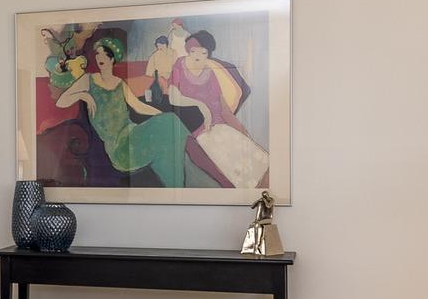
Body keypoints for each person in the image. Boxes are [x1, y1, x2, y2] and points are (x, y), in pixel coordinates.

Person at [54, 30, 190, 186]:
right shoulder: (88, 80)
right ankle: (177, 187)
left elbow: (138, 106)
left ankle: (176, 187)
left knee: (170, 125)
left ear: (112, 59)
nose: (100, 58)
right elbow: (61, 101)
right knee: (168, 135)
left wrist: (161, 116)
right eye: (98, 55)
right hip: (119, 149)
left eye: (105, 55)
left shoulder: (120, 83)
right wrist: (83, 95)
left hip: (133, 133)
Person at [166, 30, 268, 188]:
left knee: (254, 155)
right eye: (193, 51)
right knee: (229, 161)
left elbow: (223, 107)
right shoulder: (180, 65)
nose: (197, 56)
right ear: (188, 50)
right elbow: (173, 97)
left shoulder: (210, 73)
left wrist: (241, 130)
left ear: (208, 54)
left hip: (217, 125)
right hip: (198, 127)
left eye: (203, 52)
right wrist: (201, 106)